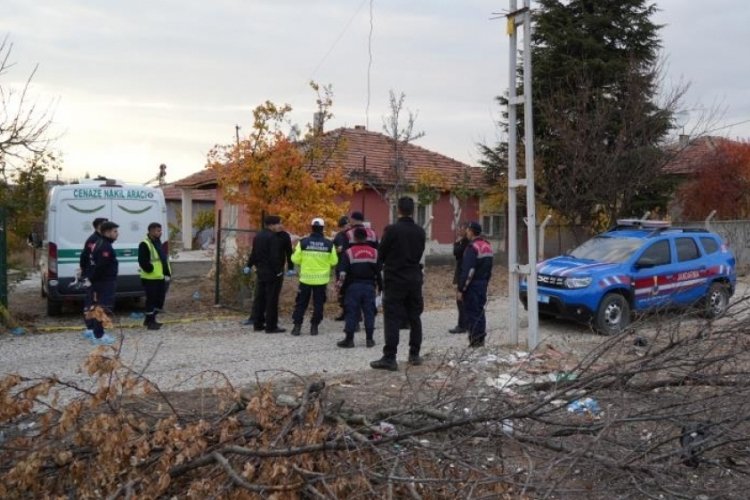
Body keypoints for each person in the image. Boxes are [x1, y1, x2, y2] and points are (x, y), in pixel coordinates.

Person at [370, 197, 426, 371]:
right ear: (413, 211)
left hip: (395, 278)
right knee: (414, 316)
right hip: (414, 278)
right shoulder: (420, 231)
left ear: (398, 210)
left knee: (392, 318)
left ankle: (390, 357)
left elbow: (381, 254)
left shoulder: (392, 230)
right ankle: (414, 354)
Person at [336, 227, 383, 349]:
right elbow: (379, 272)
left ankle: (349, 340)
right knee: (369, 312)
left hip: (353, 287)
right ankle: (369, 340)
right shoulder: (375, 252)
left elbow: (342, 274)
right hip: (369, 287)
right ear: (366, 237)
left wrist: (339, 288)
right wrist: (381, 287)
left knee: (351, 313)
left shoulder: (349, 252)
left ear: (355, 238)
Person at [290, 218, 338, 336]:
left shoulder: (303, 242)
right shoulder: (329, 244)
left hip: (305, 279)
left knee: (301, 303)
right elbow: (334, 261)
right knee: (318, 304)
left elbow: (295, 259)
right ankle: (314, 327)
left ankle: (297, 327)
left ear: (312, 227)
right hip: (321, 281)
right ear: (323, 229)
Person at [244, 215, 287, 334]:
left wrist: (248, 265)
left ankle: (258, 324)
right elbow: (275, 257)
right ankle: (271, 326)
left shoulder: (258, 235)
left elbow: (254, 253)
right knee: (272, 299)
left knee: (260, 298)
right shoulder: (273, 237)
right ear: (272, 225)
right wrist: (278, 271)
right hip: (272, 273)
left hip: (261, 271)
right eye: (279, 223)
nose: (280, 226)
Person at [457, 222, 494, 347]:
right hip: (482, 283)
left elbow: (468, 271)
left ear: (472, 231)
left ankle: (474, 341)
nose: (466, 232)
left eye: (467, 230)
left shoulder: (472, 247)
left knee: (471, 313)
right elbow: (489, 269)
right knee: (479, 311)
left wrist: (461, 289)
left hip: (472, 285)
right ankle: (481, 339)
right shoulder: (487, 246)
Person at [87, 221, 120, 345]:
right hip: (104, 282)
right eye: (115, 231)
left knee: (101, 307)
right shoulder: (104, 246)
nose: (117, 234)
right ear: (107, 232)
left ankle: (98, 333)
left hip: (104, 281)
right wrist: (97, 281)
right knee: (103, 307)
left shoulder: (103, 243)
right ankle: (99, 335)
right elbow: (100, 266)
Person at [138, 222, 171, 330]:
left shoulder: (157, 242)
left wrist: (166, 272)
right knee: (151, 301)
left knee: (159, 301)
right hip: (150, 277)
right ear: (151, 231)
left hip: (159, 276)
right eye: (158, 230)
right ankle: (151, 322)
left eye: (160, 230)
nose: (160, 232)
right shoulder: (145, 243)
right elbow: (142, 261)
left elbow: (162, 259)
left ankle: (149, 319)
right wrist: (150, 269)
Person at [79, 217, 108, 339]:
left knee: (99, 302)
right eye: (104, 225)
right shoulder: (93, 240)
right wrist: (86, 274)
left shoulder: (103, 239)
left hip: (100, 276)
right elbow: (85, 257)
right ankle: (90, 328)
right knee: (91, 302)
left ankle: (97, 327)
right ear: (97, 227)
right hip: (92, 276)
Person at [449, 222, 470, 334]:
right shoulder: (464, 242)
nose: (458, 230)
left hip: (463, 273)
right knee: (461, 300)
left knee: (460, 299)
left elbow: (456, 252)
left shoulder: (466, 242)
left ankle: (462, 324)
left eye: (461, 228)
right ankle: (465, 323)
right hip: (461, 272)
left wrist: (457, 243)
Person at [332, 216, 350, 321]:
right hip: (340, 266)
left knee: (351, 289)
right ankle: (344, 311)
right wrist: (336, 250)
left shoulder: (352, 235)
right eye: (346, 225)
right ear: (342, 227)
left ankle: (355, 313)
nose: (348, 226)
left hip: (350, 266)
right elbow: (333, 249)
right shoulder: (338, 236)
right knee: (341, 289)